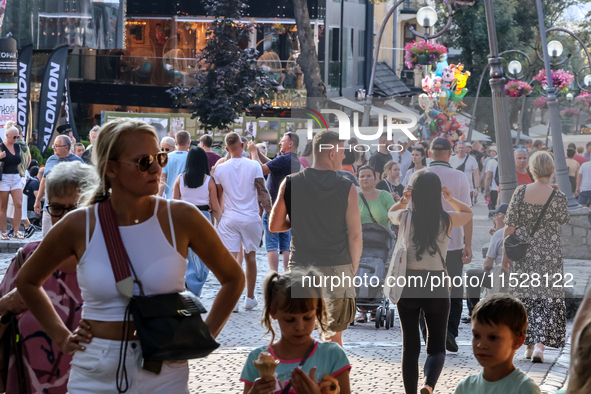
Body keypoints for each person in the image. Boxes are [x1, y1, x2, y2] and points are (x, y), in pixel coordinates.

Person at [16, 118, 244, 392]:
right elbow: (27, 280)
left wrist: (205, 335)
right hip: (95, 370)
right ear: (110, 168)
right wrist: (61, 336)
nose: (158, 167)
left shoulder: (182, 218)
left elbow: (233, 279)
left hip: (163, 369)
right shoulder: (80, 224)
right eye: (144, 161)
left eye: (160, 157)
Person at [0, 161, 96, 393]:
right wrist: (7, 304)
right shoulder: (28, 258)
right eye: (56, 208)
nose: (64, 218)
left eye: (74, 209)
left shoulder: (113, 264)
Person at [269, 130, 362, 346]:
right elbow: (355, 236)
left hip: (301, 267)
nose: (343, 157)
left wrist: (299, 221)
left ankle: (300, 376)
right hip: (336, 266)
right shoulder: (347, 187)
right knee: (333, 335)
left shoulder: (290, 182)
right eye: (341, 152)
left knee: (298, 331)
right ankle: (332, 378)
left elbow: (274, 225)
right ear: (331, 154)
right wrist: (353, 268)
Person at [389, 171, 473, 394]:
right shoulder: (446, 219)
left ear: (414, 192)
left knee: (410, 346)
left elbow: (390, 213)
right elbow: (468, 212)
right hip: (435, 281)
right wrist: (450, 197)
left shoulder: (405, 217)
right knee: (436, 346)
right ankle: (428, 385)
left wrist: (404, 199)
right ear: (438, 194)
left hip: (408, 281)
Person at [502, 151, 570, 363]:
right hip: (549, 253)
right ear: (551, 170)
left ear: (532, 169)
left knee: (525, 297)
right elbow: (563, 220)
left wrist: (506, 253)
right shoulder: (558, 196)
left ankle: (528, 345)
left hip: (524, 252)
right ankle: (540, 345)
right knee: (547, 297)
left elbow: (510, 226)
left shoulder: (521, 192)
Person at [240, 270, 351, 394]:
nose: (299, 326)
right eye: (290, 319)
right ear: (273, 312)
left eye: (307, 317)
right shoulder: (257, 359)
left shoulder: (333, 356)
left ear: (317, 310)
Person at [411, 137, 473, 353]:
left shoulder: (417, 175)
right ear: (450, 153)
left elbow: (409, 212)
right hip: (453, 243)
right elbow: (467, 213)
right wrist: (468, 244)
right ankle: (450, 332)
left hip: (423, 244)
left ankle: (427, 333)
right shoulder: (459, 177)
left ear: (430, 154)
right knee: (454, 290)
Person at [216, 132, 272, 312]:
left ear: (226, 148)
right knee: (250, 258)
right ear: (242, 145)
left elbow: (218, 195)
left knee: (232, 260)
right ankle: (250, 297)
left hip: (230, 218)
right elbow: (263, 193)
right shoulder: (254, 165)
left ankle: (233, 300)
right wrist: (271, 214)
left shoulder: (220, 169)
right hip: (250, 217)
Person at [454, 294, 540, 394]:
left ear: (517, 341)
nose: (481, 345)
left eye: (492, 337)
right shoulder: (465, 388)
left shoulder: (525, 389)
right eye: (477, 336)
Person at [247, 132, 300, 273]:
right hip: (289, 207)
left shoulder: (285, 159)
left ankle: (274, 275)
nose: (279, 143)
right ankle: (287, 274)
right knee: (286, 245)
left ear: (290, 144)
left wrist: (253, 153)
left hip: (274, 207)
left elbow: (260, 169)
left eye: (282, 141)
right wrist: (258, 153)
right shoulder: (292, 159)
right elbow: (270, 164)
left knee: (271, 244)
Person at [173, 147, 221, 298]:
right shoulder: (209, 181)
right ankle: (193, 289)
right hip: (203, 218)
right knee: (202, 258)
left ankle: (183, 284)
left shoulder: (180, 178)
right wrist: (219, 225)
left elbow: (174, 203)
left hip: (183, 217)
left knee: (184, 254)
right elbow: (215, 207)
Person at [463, 203, 509, 324]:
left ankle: (474, 312)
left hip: (501, 277)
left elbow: (487, 265)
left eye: (496, 215)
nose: (494, 218)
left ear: (504, 217)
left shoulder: (499, 234)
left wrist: (495, 237)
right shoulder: (521, 232)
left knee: (472, 274)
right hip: (519, 276)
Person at [33, 135, 84, 236]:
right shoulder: (51, 159)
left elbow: (83, 184)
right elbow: (44, 180)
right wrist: (38, 199)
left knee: (66, 237)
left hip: (68, 208)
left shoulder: (78, 162)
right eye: (54, 145)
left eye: (57, 146)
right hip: (49, 207)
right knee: (46, 237)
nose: (54, 148)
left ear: (66, 147)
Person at [0, 127, 24, 240]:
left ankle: (16, 231)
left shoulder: (17, 146)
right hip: (4, 177)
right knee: (3, 207)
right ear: (7, 135)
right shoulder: (1, 146)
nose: (16, 138)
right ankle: (4, 232)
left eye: (17, 136)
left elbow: (18, 162)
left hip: (15, 177)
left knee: (19, 204)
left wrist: (21, 175)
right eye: (14, 136)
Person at [159, 131, 191, 198]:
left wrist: (158, 198)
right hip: (188, 199)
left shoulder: (166, 158)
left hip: (170, 198)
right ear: (189, 142)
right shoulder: (191, 157)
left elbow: (162, 180)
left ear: (176, 142)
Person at [484, 146, 499, 212]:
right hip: (504, 187)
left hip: (494, 188)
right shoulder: (508, 159)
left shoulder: (492, 161)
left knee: (492, 206)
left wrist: (486, 191)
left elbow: (488, 177)